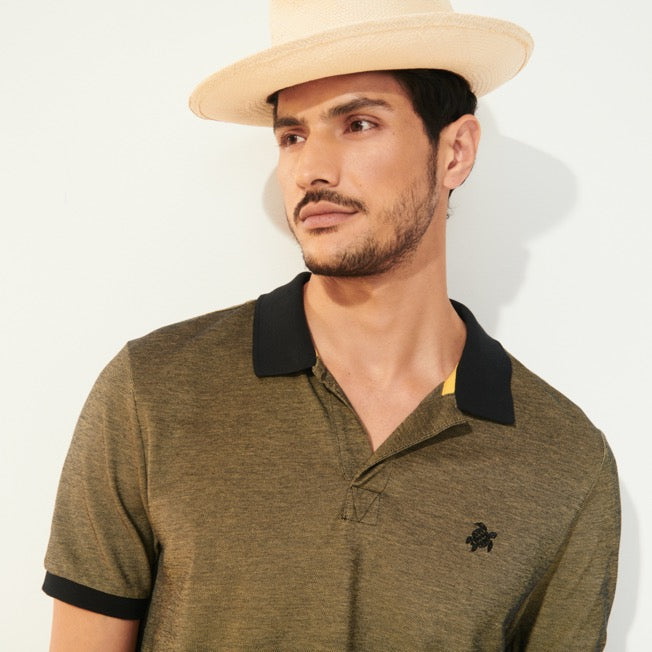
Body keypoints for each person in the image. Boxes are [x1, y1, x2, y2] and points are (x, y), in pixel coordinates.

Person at [43, 1, 620, 650]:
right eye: (292, 136)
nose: (310, 169)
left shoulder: (564, 462)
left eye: (358, 123)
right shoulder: (152, 393)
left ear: (455, 151)